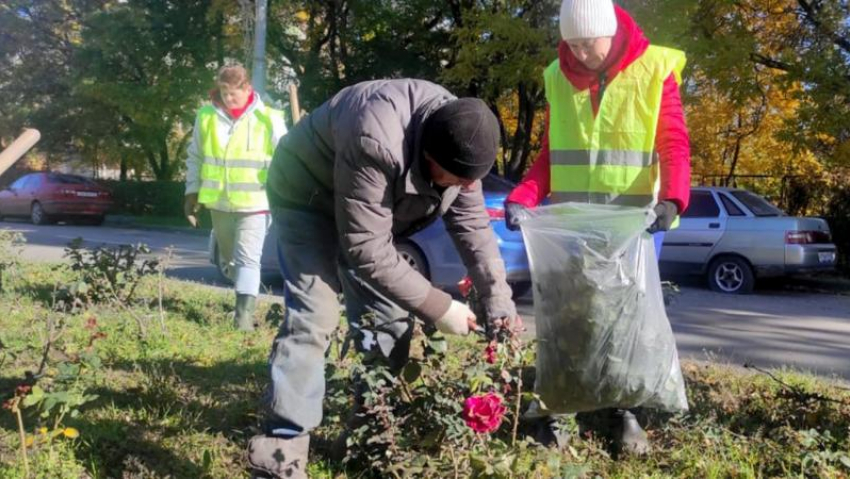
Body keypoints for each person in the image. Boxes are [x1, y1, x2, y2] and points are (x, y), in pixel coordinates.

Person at [246, 79, 520, 478]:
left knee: (389, 318)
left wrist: (499, 302)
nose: (463, 188)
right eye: (455, 180)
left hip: (366, 212)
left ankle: (370, 431)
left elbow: (474, 228)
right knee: (314, 315)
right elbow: (366, 249)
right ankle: (280, 453)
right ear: (429, 155)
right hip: (308, 198)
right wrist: (441, 307)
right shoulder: (377, 137)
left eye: (468, 182)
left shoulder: (463, 140)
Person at [504, 0, 692, 454]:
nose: (583, 53)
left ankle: (626, 412)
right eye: (573, 44)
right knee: (570, 320)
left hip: (633, 227)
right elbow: (551, 153)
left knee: (627, 322)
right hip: (571, 229)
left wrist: (673, 198)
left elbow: (673, 142)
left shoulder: (655, 68)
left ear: (611, 32)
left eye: (590, 43)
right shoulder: (556, 75)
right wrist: (522, 196)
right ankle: (561, 408)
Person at [184, 64, 287, 331]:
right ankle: (241, 297)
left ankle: (243, 319)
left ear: (247, 89)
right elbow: (195, 156)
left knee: (248, 260)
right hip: (218, 203)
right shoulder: (206, 116)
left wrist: (287, 194)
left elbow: (286, 158)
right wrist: (191, 193)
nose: (229, 99)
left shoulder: (269, 118)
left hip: (257, 203)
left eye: (234, 94)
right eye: (224, 93)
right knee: (230, 262)